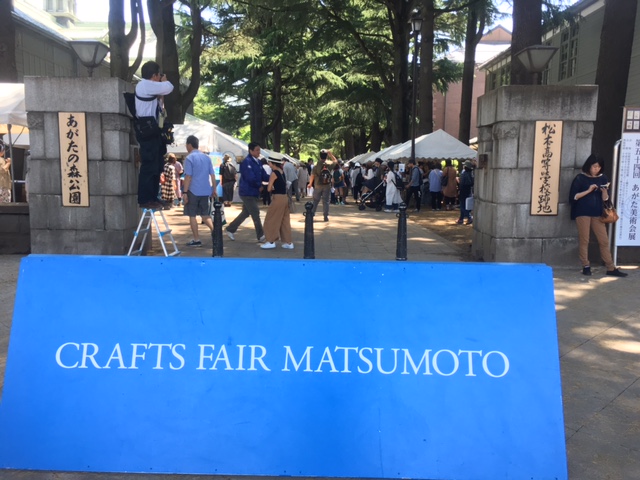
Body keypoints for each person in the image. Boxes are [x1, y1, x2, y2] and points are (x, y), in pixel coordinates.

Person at [569, 154, 627, 277]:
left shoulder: (603, 178)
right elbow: (574, 197)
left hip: (598, 213)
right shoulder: (580, 178)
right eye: (594, 167)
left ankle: (610, 267)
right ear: (589, 166)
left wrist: (605, 192)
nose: (597, 169)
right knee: (585, 240)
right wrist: (588, 190)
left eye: (599, 167)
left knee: (604, 240)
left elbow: (605, 200)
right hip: (582, 212)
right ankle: (585, 265)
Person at [134, 60, 174, 209]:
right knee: (149, 165)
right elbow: (169, 87)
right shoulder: (145, 84)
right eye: (159, 75)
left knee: (157, 165)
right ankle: (145, 199)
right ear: (154, 75)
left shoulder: (149, 88)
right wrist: (164, 81)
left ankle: (153, 197)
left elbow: (161, 109)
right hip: (147, 128)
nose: (160, 77)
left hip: (153, 128)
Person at [226, 142, 269, 242]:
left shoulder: (258, 162)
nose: (259, 152)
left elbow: (263, 175)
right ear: (251, 151)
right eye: (257, 150)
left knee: (246, 213)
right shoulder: (246, 162)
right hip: (247, 192)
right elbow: (250, 178)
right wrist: (259, 185)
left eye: (259, 150)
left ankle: (230, 229)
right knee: (255, 212)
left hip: (253, 192)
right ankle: (260, 235)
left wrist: (273, 177)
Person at [182, 135, 217, 247]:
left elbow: (188, 176)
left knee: (192, 215)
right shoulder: (207, 158)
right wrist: (214, 189)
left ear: (189, 145)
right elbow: (212, 175)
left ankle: (196, 239)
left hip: (193, 190)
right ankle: (216, 233)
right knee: (205, 215)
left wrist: (185, 192)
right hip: (205, 190)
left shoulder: (189, 158)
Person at [261, 156, 294, 250]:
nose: (268, 164)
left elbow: (269, 188)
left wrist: (269, 186)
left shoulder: (274, 173)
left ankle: (271, 241)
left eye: (269, 162)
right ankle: (288, 242)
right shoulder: (281, 171)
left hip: (277, 198)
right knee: (285, 221)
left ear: (272, 163)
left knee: (271, 219)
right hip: (285, 198)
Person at [309, 149, 336, 222]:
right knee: (326, 201)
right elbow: (335, 161)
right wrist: (331, 154)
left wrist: (310, 183)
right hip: (327, 185)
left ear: (320, 156)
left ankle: (312, 214)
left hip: (317, 184)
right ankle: (325, 216)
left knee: (315, 201)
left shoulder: (316, 165)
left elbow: (312, 175)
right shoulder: (329, 164)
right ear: (326, 156)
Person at [457, 161, 474, 225]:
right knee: (466, 205)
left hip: (463, 191)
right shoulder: (471, 174)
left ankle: (469, 217)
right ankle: (461, 219)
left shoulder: (464, 174)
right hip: (469, 190)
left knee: (463, 206)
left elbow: (461, 184)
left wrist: (459, 189)